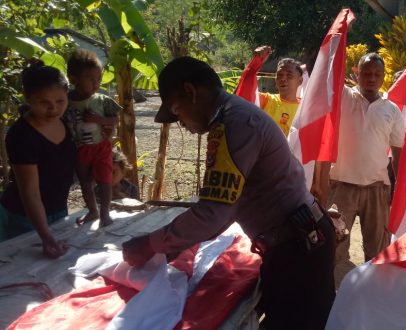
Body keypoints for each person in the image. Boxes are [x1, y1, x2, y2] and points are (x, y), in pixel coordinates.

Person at [121, 56, 335, 329]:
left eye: (177, 111)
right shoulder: (232, 117)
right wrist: (172, 243)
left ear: (191, 92)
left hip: (297, 249)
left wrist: (150, 244)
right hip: (294, 242)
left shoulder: (234, 124)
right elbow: (224, 209)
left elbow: (214, 213)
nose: (181, 123)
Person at [318, 53, 405, 272]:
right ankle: (333, 294)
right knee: (334, 247)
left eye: (377, 73)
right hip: (340, 186)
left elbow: (398, 152)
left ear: (384, 76)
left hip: (376, 189)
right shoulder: (342, 98)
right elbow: (327, 76)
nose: (371, 78)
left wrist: (400, 187)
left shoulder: (392, 110)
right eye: (366, 73)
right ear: (357, 73)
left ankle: (372, 295)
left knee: (377, 250)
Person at [0, 61, 76, 258]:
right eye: (44, 103)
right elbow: (30, 192)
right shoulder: (21, 135)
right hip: (24, 218)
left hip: (58, 210)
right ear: (28, 98)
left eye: (60, 101)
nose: (53, 109)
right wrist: (45, 235)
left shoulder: (65, 122)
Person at [66, 49, 121, 227]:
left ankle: (105, 213)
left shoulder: (102, 100)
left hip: (101, 147)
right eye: (91, 79)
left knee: (104, 180)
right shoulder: (65, 100)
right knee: (85, 181)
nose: (96, 83)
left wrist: (100, 120)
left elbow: (116, 119)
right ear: (73, 79)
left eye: (99, 79)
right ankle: (92, 211)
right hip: (79, 149)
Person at [242, 46, 304, 136]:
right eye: (279, 75)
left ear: (300, 80)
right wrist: (255, 63)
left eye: (289, 75)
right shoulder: (265, 100)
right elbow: (245, 92)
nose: (283, 78)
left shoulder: (305, 107)